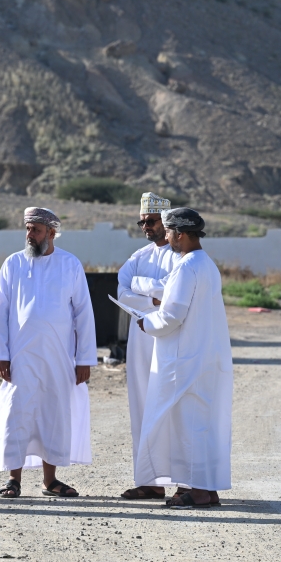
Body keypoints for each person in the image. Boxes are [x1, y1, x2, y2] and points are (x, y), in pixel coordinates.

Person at [0, 207, 97, 498]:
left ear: (51, 232)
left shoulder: (70, 265)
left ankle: (50, 480)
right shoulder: (12, 264)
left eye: (35, 229)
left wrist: (85, 359)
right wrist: (1, 354)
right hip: (20, 357)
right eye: (27, 229)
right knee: (17, 414)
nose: (29, 235)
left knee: (53, 413)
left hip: (58, 356)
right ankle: (14, 479)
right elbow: (0, 313)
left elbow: (83, 315)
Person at [135, 208, 233, 509]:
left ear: (179, 233)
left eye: (169, 232)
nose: (166, 237)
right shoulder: (206, 264)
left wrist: (146, 322)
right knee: (202, 425)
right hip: (203, 359)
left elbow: (172, 315)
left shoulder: (187, 265)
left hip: (185, 362)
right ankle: (206, 487)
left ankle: (198, 491)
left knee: (188, 427)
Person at [117, 193, 177, 500]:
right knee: (141, 406)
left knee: (174, 408)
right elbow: (121, 289)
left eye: (150, 221)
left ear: (165, 222)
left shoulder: (182, 256)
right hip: (140, 343)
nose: (145, 227)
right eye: (142, 221)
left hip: (171, 341)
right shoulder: (138, 256)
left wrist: (146, 290)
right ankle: (149, 481)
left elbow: (172, 293)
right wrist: (152, 297)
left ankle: (186, 482)